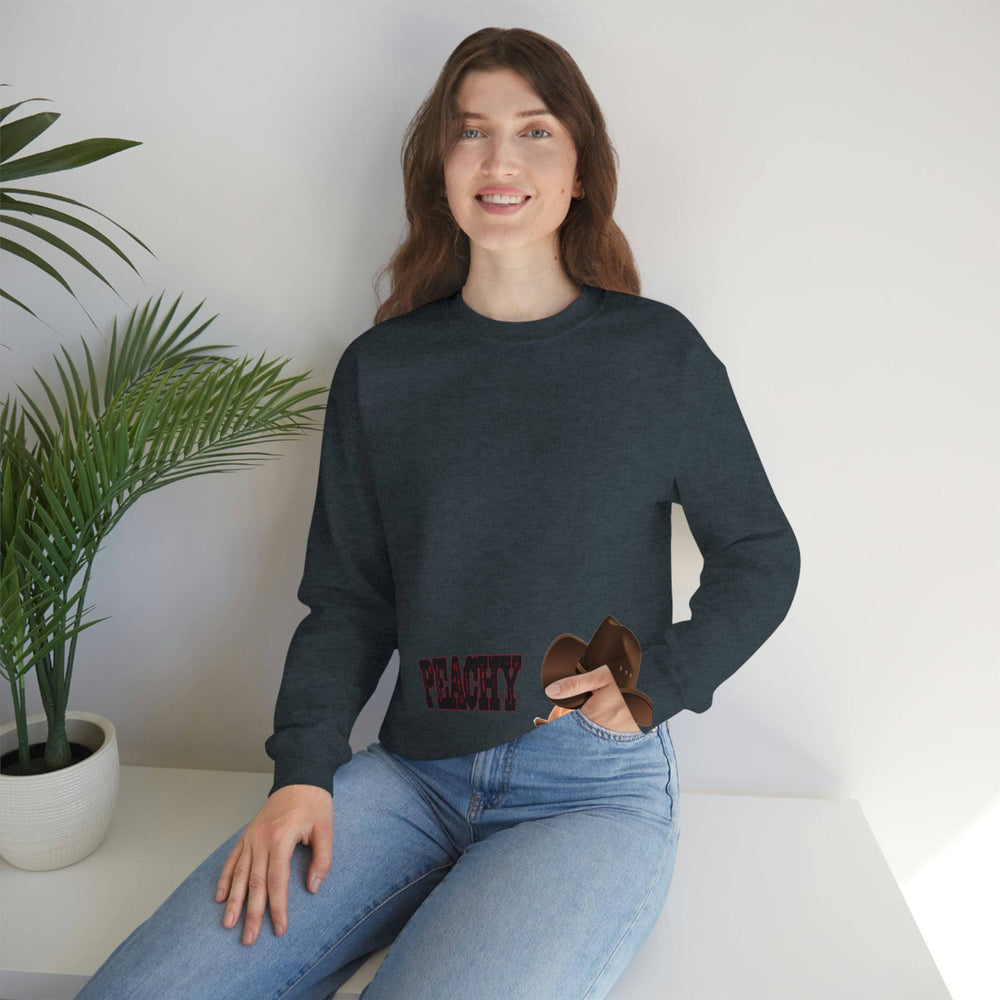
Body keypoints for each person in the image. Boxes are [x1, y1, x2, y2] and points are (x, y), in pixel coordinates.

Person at [76, 26, 800, 1000]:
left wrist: (660, 682)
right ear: (441, 167)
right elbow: (349, 600)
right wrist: (303, 773)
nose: (500, 160)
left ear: (580, 170)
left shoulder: (656, 356)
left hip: (586, 792)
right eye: (471, 132)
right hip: (409, 775)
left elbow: (760, 550)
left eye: (534, 131)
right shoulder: (383, 370)